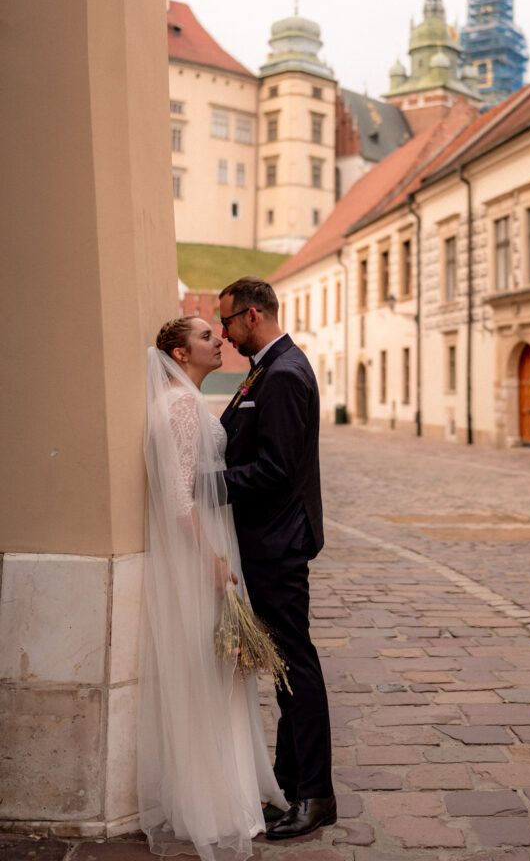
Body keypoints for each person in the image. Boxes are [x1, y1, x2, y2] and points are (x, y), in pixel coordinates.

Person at [138, 316, 287, 861]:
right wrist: (211, 562)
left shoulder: (184, 400)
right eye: (206, 336)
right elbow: (180, 497)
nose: (218, 340)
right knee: (214, 672)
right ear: (180, 354)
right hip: (201, 551)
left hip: (209, 541)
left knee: (216, 670)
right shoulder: (181, 405)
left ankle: (224, 791)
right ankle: (218, 803)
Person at [219, 276, 336, 841]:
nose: (223, 333)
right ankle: (292, 786)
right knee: (287, 669)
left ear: (252, 315)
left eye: (227, 322)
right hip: (268, 538)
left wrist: (209, 484)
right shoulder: (267, 367)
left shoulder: (285, 373)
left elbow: (277, 469)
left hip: (279, 541)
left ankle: (316, 794)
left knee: (296, 665)